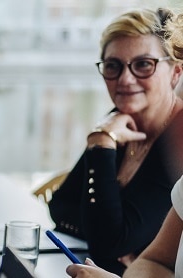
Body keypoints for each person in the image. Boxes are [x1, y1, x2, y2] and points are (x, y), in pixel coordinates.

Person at [48, 8, 183, 275]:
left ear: (175, 73)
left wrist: (100, 144)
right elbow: (60, 206)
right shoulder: (117, 123)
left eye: (143, 64)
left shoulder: (177, 139)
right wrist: (114, 236)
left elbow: (106, 244)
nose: (125, 79)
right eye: (113, 66)